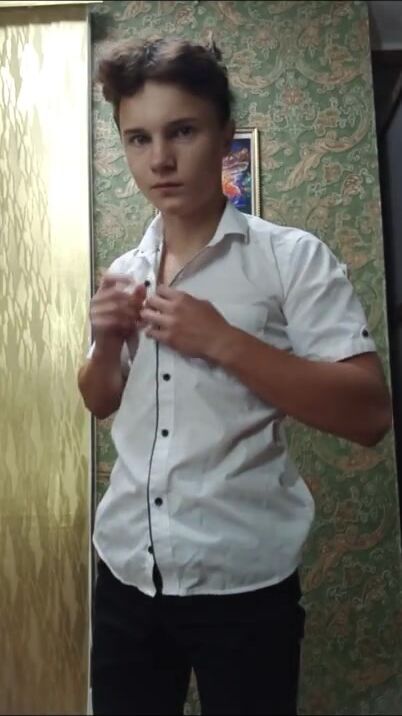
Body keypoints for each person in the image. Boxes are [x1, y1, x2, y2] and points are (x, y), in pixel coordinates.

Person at [78, 37, 392, 716]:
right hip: (126, 572)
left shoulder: (292, 260)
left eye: (182, 131)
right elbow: (100, 401)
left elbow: (369, 415)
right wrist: (105, 347)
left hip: (244, 585)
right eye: (138, 139)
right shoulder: (126, 270)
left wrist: (222, 341)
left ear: (224, 134)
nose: (159, 160)